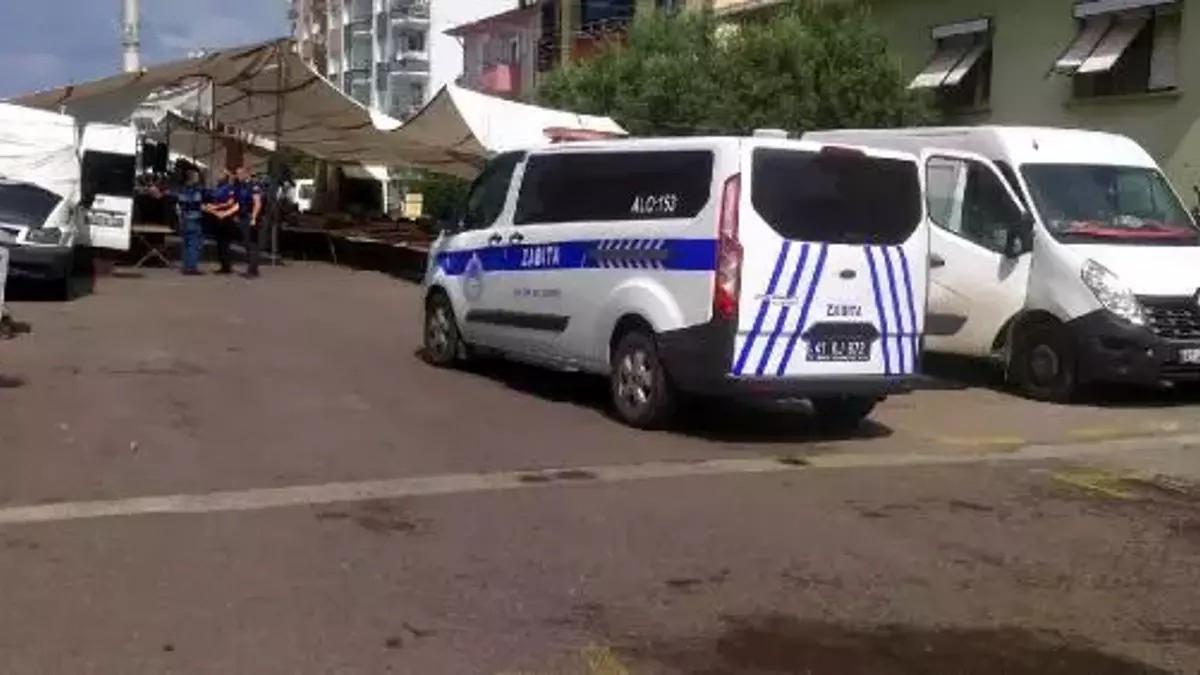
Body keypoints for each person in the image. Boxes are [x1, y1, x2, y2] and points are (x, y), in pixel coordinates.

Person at [206, 169, 239, 275]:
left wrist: (216, 207)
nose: (218, 176)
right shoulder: (218, 187)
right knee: (219, 243)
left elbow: (230, 202)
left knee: (225, 243)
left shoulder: (229, 188)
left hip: (226, 218)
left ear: (225, 177)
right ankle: (223, 265)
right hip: (217, 218)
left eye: (220, 174)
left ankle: (227, 266)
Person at [233, 166, 264, 278]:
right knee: (247, 244)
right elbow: (239, 203)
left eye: (240, 173)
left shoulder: (253, 186)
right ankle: (252, 268)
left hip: (251, 217)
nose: (238, 176)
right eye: (237, 174)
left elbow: (257, 203)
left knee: (252, 244)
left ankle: (253, 270)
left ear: (246, 174)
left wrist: (254, 217)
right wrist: (237, 215)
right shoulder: (241, 186)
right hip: (243, 217)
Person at [176, 169, 206, 275]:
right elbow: (196, 203)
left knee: (186, 243)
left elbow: (180, 203)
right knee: (194, 243)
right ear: (192, 178)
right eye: (196, 176)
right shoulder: (195, 190)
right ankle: (192, 267)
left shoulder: (181, 189)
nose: (198, 178)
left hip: (184, 218)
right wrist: (203, 207)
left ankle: (185, 266)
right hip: (194, 218)